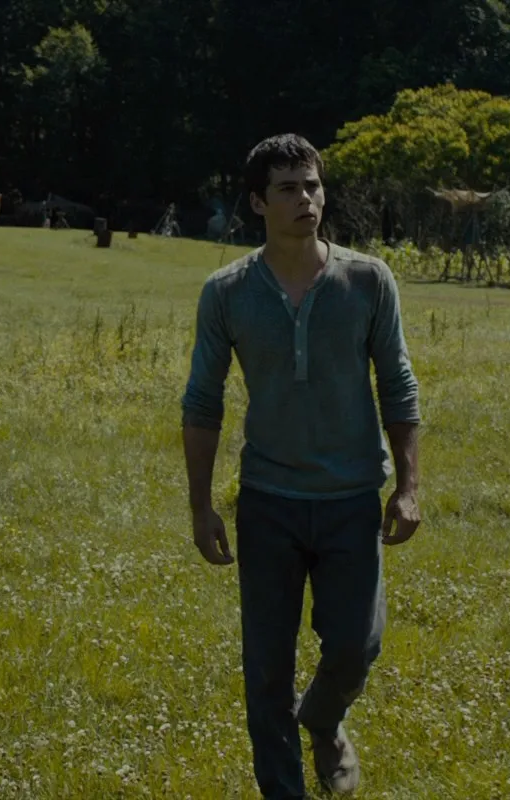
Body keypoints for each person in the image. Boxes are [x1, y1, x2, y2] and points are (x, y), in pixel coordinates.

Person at [181, 134, 423, 798]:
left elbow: (398, 385)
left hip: (351, 498)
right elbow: (202, 401)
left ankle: (321, 717)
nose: (306, 199)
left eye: (312, 185)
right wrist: (201, 506)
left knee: (355, 647)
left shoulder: (367, 280)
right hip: (269, 501)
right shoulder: (227, 293)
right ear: (258, 202)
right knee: (266, 669)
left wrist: (408, 487)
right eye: (288, 189)